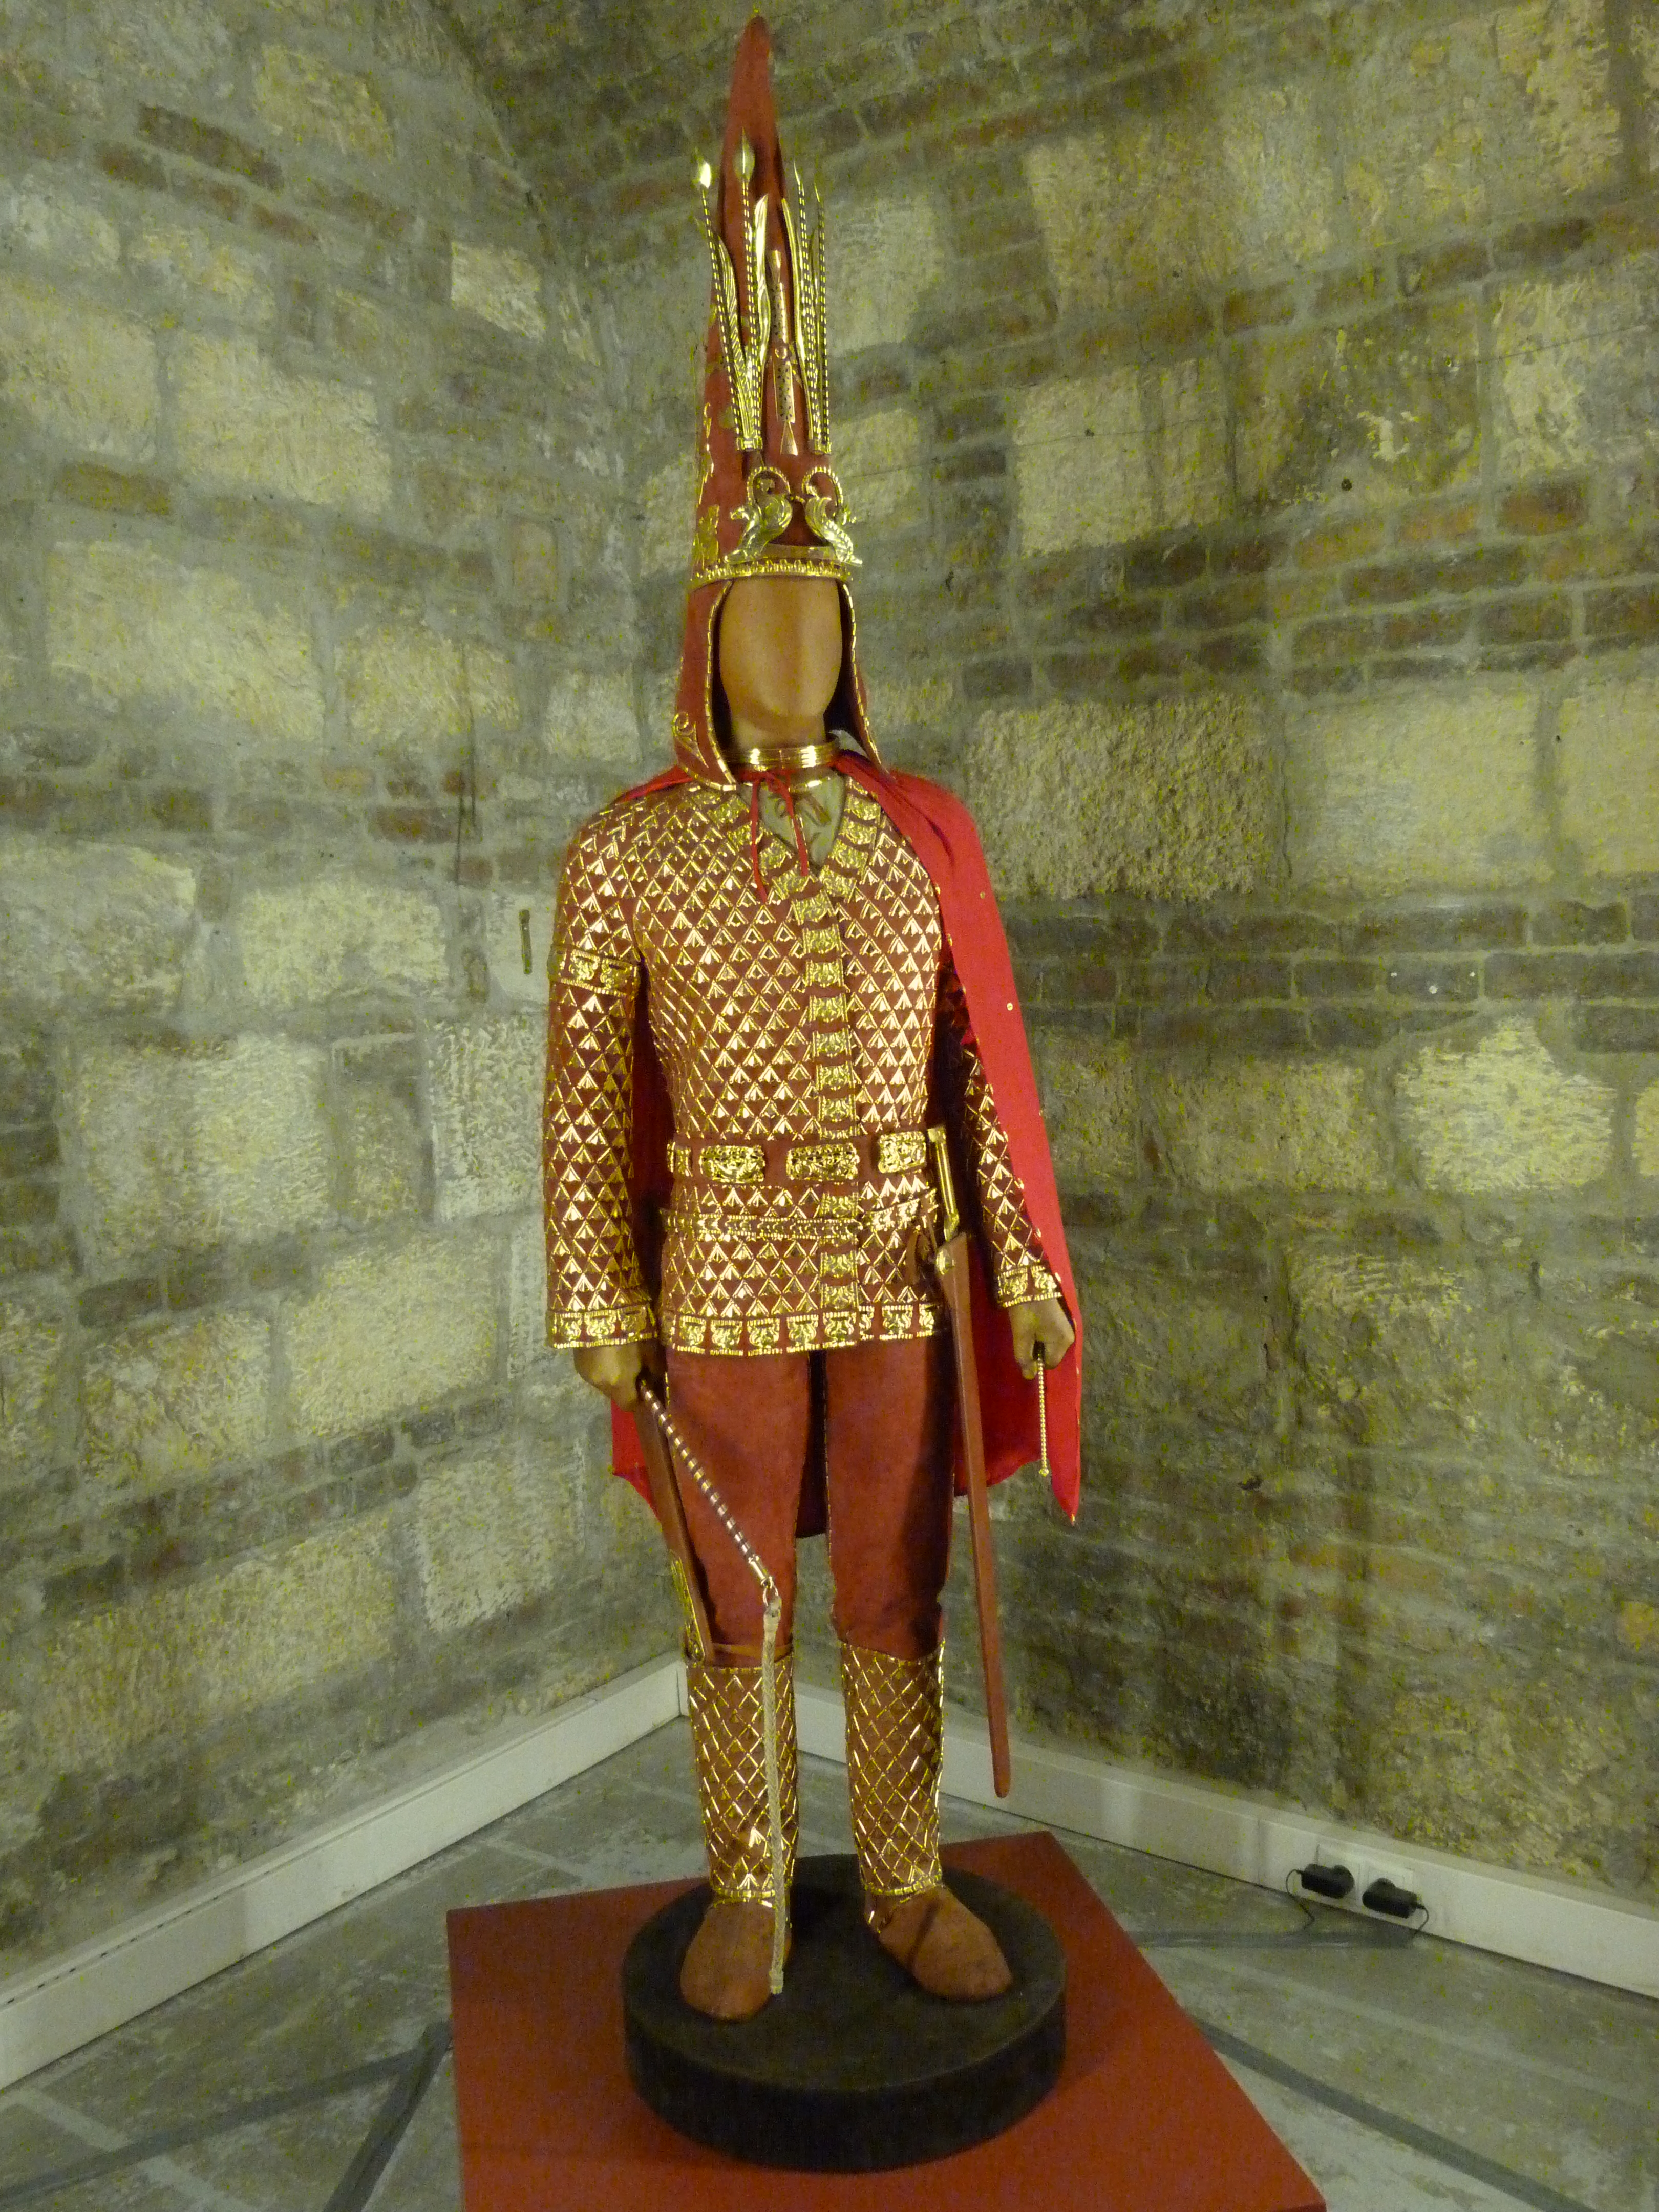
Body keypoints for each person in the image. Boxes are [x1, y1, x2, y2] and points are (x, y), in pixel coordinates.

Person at [542, 14, 1080, 2024]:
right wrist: (594, 1287)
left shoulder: (916, 832)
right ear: (705, 631)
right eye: (760, 608)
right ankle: (752, 1884)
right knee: (738, 1587)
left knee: (892, 1585)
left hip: (897, 1256)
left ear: (852, 629)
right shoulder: (627, 852)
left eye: (820, 606)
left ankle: (911, 1874)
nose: (794, 637)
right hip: (722, 1259)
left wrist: (1021, 1260)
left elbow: (974, 1078)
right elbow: (584, 1091)